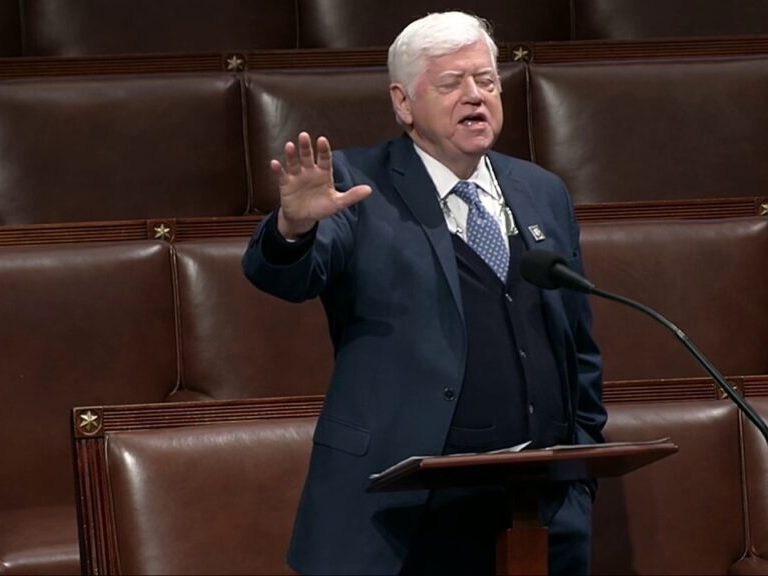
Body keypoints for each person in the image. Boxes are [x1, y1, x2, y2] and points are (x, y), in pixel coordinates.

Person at [243, 11, 606, 575]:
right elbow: (285, 278)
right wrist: (295, 230)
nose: (475, 97)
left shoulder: (542, 191)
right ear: (404, 102)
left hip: (539, 514)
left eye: (486, 81)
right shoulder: (356, 184)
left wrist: (580, 477)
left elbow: (578, 346)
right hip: (403, 517)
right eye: (450, 84)